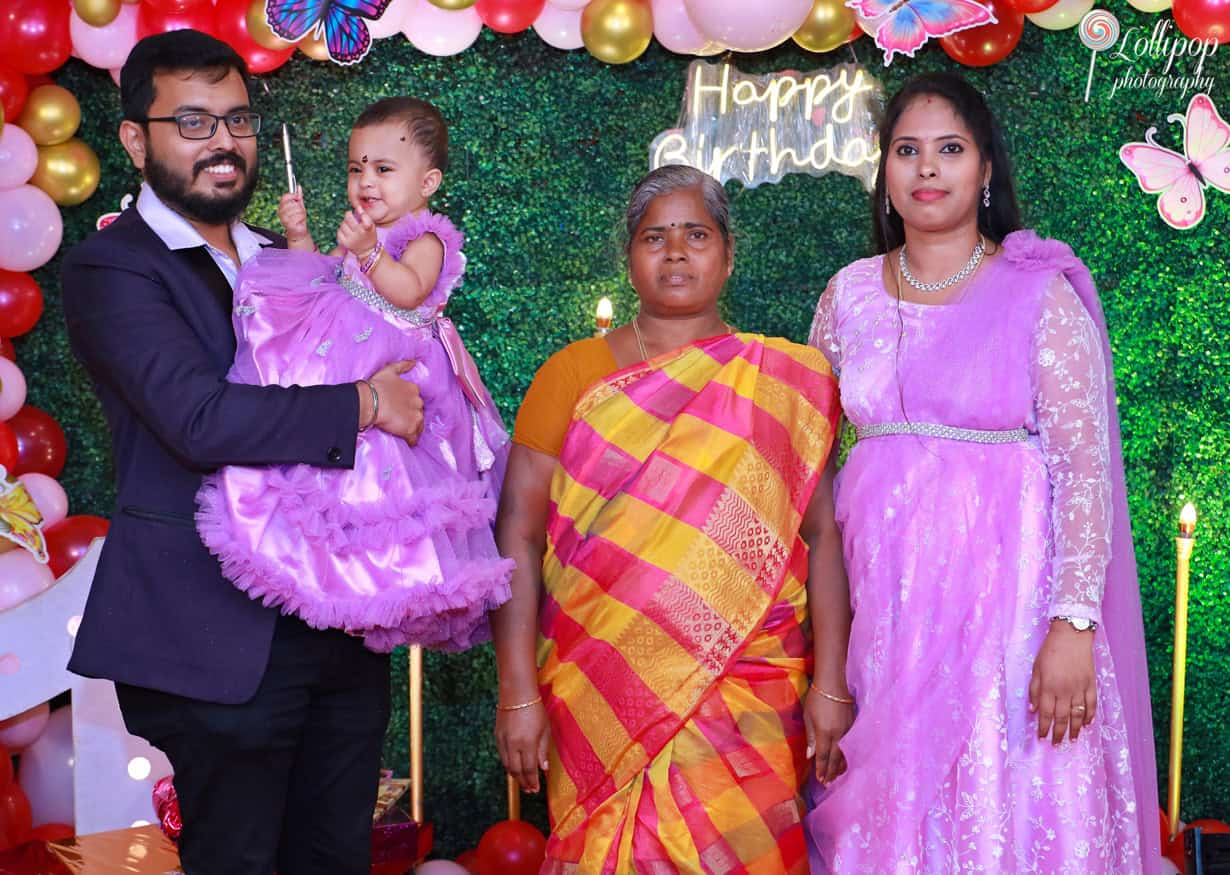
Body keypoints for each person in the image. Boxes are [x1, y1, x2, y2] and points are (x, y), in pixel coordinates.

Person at [60, 30, 423, 875]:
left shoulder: (291, 260)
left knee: (335, 857)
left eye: (236, 119)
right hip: (210, 634)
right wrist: (365, 403)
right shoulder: (113, 269)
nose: (222, 141)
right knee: (239, 859)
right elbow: (199, 418)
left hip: (336, 622)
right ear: (134, 139)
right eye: (191, 121)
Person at [803, 72, 1160, 874]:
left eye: (951, 150)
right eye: (907, 151)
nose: (927, 169)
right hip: (886, 619)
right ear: (885, 172)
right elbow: (812, 480)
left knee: (1012, 798)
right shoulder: (847, 297)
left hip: (1016, 625)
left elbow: (1084, 471)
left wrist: (1071, 627)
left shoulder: (1038, 293)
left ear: (987, 169)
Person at [491, 165, 847, 873]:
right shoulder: (572, 374)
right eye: (655, 236)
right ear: (629, 255)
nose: (676, 251)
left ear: (728, 253)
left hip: (746, 692)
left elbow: (823, 535)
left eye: (696, 234)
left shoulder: (777, 384)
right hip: (602, 689)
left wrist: (832, 684)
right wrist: (515, 693)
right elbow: (518, 537)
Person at [194, 96, 512, 653]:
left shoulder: (426, 239)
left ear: (428, 180)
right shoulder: (365, 234)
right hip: (352, 366)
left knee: (391, 490)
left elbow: (409, 292)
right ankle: (333, 568)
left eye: (384, 170)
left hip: (400, 366)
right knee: (334, 471)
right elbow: (321, 280)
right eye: (355, 168)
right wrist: (298, 236)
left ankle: (389, 574)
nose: (366, 181)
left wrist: (367, 253)